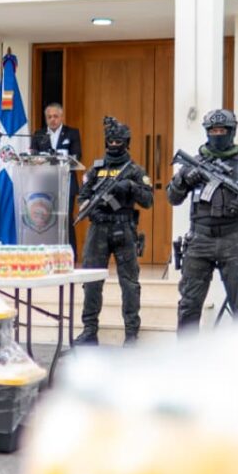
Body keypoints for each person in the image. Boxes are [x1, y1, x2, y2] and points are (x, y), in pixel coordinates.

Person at [166, 108, 238, 336]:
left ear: (231, 131)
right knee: (189, 305)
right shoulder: (194, 163)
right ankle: (187, 354)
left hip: (233, 240)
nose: (217, 134)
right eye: (213, 130)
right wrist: (183, 180)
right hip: (199, 240)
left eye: (222, 130)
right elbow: (172, 198)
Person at [73, 117, 153, 347]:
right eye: (111, 141)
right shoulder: (96, 169)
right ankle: (89, 330)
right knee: (91, 281)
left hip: (123, 228)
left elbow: (148, 200)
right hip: (98, 229)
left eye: (118, 141)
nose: (114, 145)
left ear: (126, 143)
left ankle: (131, 333)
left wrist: (129, 187)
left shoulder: (135, 171)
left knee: (129, 283)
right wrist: (93, 208)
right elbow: (82, 197)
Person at [29, 103, 82, 257]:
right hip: (44, 185)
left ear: (61, 117)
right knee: (44, 220)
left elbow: (77, 156)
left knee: (65, 220)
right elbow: (33, 156)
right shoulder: (39, 134)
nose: (52, 120)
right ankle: (45, 256)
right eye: (49, 117)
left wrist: (56, 158)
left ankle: (70, 256)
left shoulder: (72, 133)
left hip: (66, 184)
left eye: (55, 116)